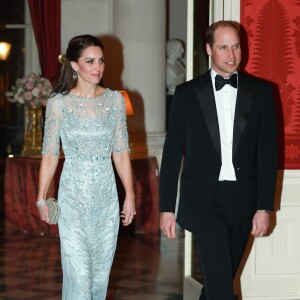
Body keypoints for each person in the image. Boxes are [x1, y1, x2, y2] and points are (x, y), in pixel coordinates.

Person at [159, 21, 278, 300]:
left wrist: (264, 207)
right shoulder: (187, 94)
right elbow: (172, 152)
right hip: (205, 202)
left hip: (244, 201)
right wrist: (166, 207)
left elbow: (267, 154)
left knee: (219, 283)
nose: (232, 54)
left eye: (236, 46)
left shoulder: (261, 93)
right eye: (223, 47)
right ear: (209, 49)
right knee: (222, 289)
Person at [36, 34, 136, 299]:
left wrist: (130, 196)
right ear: (74, 65)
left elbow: (121, 152)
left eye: (101, 61)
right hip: (73, 200)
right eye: (89, 61)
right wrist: (41, 198)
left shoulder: (115, 100)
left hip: (106, 200)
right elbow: (49, 154)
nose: (97, 67)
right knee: (79, 277)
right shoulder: (58, 103)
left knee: (99, 279)